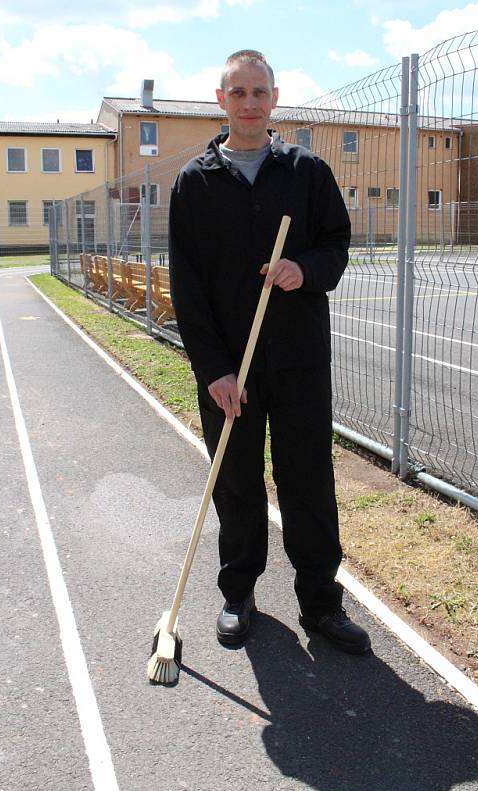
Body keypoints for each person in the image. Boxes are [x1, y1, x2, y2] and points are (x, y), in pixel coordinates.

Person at [169, 49, 371, 655]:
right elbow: (187, 284)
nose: (250, 104)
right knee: (235, 481)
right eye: (239, 93)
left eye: (260, 93)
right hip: (231, 367)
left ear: (275, 99)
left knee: (308, 479)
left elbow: (337, 246)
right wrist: (213, 370)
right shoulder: (195, 182)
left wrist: (301, 269)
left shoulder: (306, 172)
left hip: (299, 360)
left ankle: (320, 604)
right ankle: (238, 593)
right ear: (221, 98)